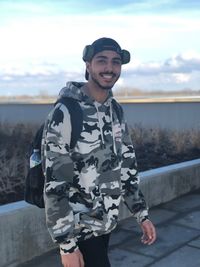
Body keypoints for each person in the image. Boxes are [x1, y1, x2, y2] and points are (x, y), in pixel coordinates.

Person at [42, 37, 156, 267]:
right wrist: (67, 246)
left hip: (106, 223)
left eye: (115, 62)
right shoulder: (66, 111)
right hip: (79, 229)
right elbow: (55, 182)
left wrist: (141, 214)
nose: (109, 68)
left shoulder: (115, 110)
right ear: (88, 65)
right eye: (101, 61)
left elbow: (126, 166)